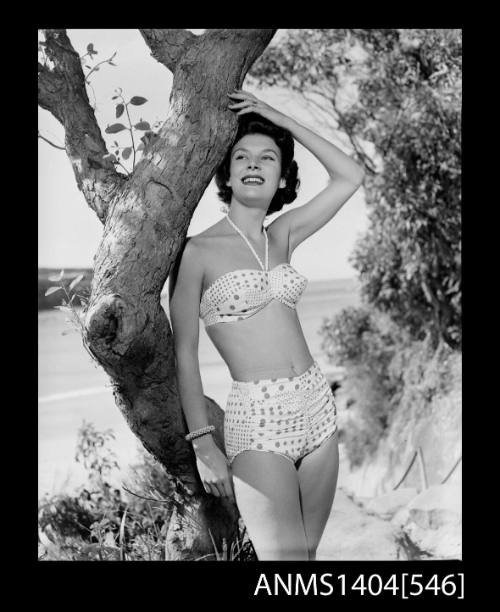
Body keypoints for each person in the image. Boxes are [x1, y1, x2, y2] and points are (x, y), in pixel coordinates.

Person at [168, 89, 364, 560]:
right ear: (228, 174)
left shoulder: (283, 235)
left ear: (281, 178)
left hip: (317, 407)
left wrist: (277, 117)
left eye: (268, 157)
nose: (254, 163)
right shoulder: (196, 252)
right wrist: (202, 444)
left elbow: (350, 175)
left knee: (307, 563)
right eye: (242, 156)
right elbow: (184, 354)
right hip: (259, 423)